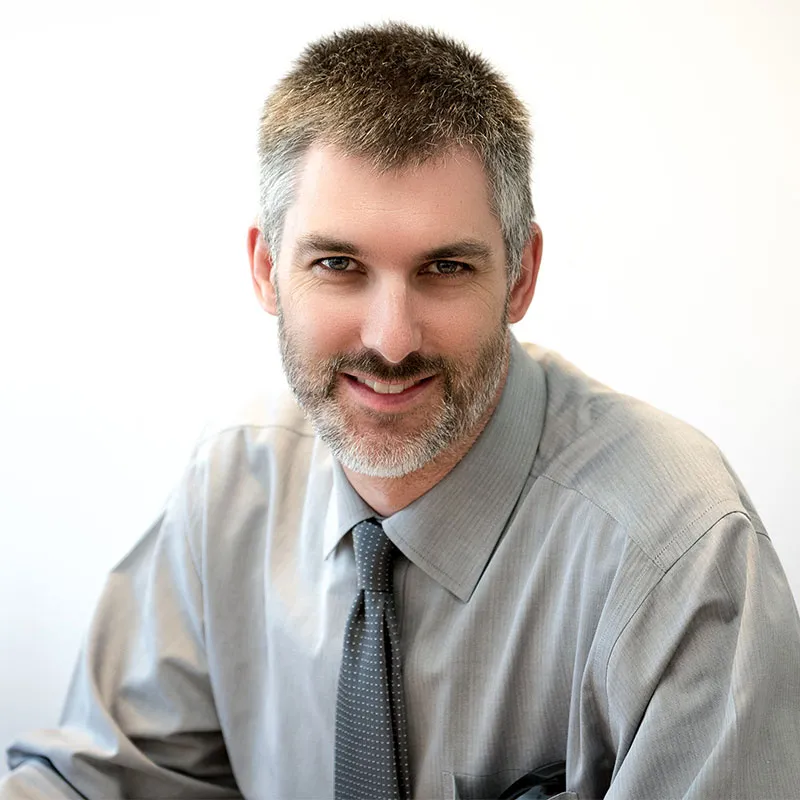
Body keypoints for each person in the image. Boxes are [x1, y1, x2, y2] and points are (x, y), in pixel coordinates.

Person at [3, 21, 799, 800]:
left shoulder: (681, 554)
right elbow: (97, 778)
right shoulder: (235, 480)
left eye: (445, 267)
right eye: (338, 264)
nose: (389, 341)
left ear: (520, 276)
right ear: (266, 269)